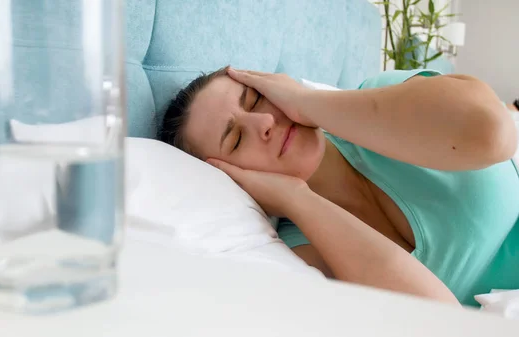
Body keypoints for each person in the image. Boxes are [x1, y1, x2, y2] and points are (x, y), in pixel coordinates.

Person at [158, 66, 519, 307]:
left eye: (256, 99)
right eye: (236, 140)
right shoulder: (306, 249)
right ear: (230, 177)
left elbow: (494, 131)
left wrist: (305, 103)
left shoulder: (380, 96)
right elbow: (440, 320)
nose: (265, 121)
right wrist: (295, 199)